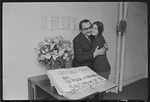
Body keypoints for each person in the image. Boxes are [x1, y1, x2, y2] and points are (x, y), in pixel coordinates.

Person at [84, 21, 111, 99]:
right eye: (92, 28)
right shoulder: (95, 37)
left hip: (103, 69)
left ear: (100, 31)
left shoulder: (99, 39)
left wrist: (81, 54)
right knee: (97, 93)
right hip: (99, 68)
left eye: (96, 29)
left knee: (100, 93)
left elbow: (92, 53)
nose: (93, 30)